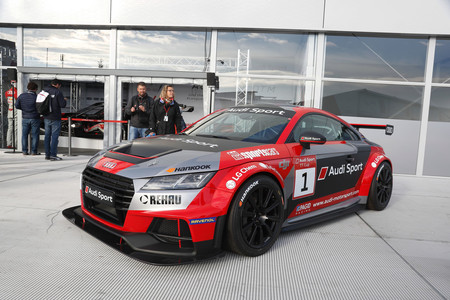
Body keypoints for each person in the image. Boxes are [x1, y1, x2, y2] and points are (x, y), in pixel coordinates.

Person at [43, 79, 66, 161]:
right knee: (55, 137)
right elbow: (62, 104)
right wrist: (64, 100)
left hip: (46, 117)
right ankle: (53, 155)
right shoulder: (57, 92)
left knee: (47, 136)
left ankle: (47, 154)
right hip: (55, 117)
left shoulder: (44, 90)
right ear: (57, 85)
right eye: (59, 85)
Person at [15, 81, 40, 155]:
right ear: (35, 89)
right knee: (35, 135)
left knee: (24, 135)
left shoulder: (22, 96)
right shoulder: (37, 97)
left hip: (25, 117)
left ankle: (24, 151)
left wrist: (24, 109)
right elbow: (40, 107)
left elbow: (17, 106)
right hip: (35, 117)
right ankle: (34, 151)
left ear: (28, 88)